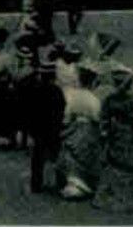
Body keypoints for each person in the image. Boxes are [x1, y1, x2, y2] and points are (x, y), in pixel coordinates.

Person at [93, 67, 133, 212]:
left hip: (115, 134)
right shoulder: (132, 100)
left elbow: (103, 118)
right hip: (130, 135)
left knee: (113, 165)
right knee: (131, 165)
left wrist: (105, 132)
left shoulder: (110, 99)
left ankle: (111, 196)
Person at [57, 67, 103, 200]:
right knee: (87, 155)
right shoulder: (93, 99)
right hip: (88, 129)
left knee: (71, 153)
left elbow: (67, 116)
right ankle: (84, 183)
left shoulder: (72, 96)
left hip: (74, 127)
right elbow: (96, 118)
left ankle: (72, 183)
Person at [23, 57, 66, 194]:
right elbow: (62, 110)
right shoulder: (57, 91)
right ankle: (59, 184)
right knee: (56, 158)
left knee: (37, 160)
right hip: (53, 129)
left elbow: (30, 111)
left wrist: (30, 130)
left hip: (39, 130)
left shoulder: (36, 90)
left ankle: (36, 185)